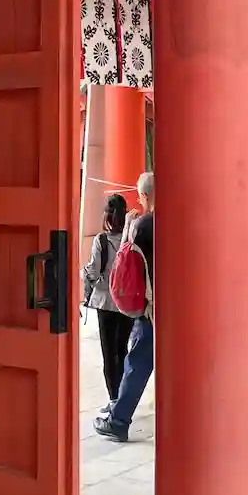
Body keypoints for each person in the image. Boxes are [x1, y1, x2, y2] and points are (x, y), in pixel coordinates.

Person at [94, 171, 154, 442]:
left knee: (136, 362)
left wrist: (129, 230)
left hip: (151, 307)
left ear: (144, 196)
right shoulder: (176, 220)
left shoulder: (144, 225)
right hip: (182, 304)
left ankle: (118, 420)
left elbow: (125, 266)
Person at [82, 193, 132, 406]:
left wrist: (85, 277)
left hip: (105, 302)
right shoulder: (131, 238)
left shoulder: (101, 241)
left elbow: (93, 272)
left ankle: (114, 400)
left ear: (106, 216)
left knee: (109, 354)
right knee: (123, 350)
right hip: (127, 303)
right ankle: (124, 399)